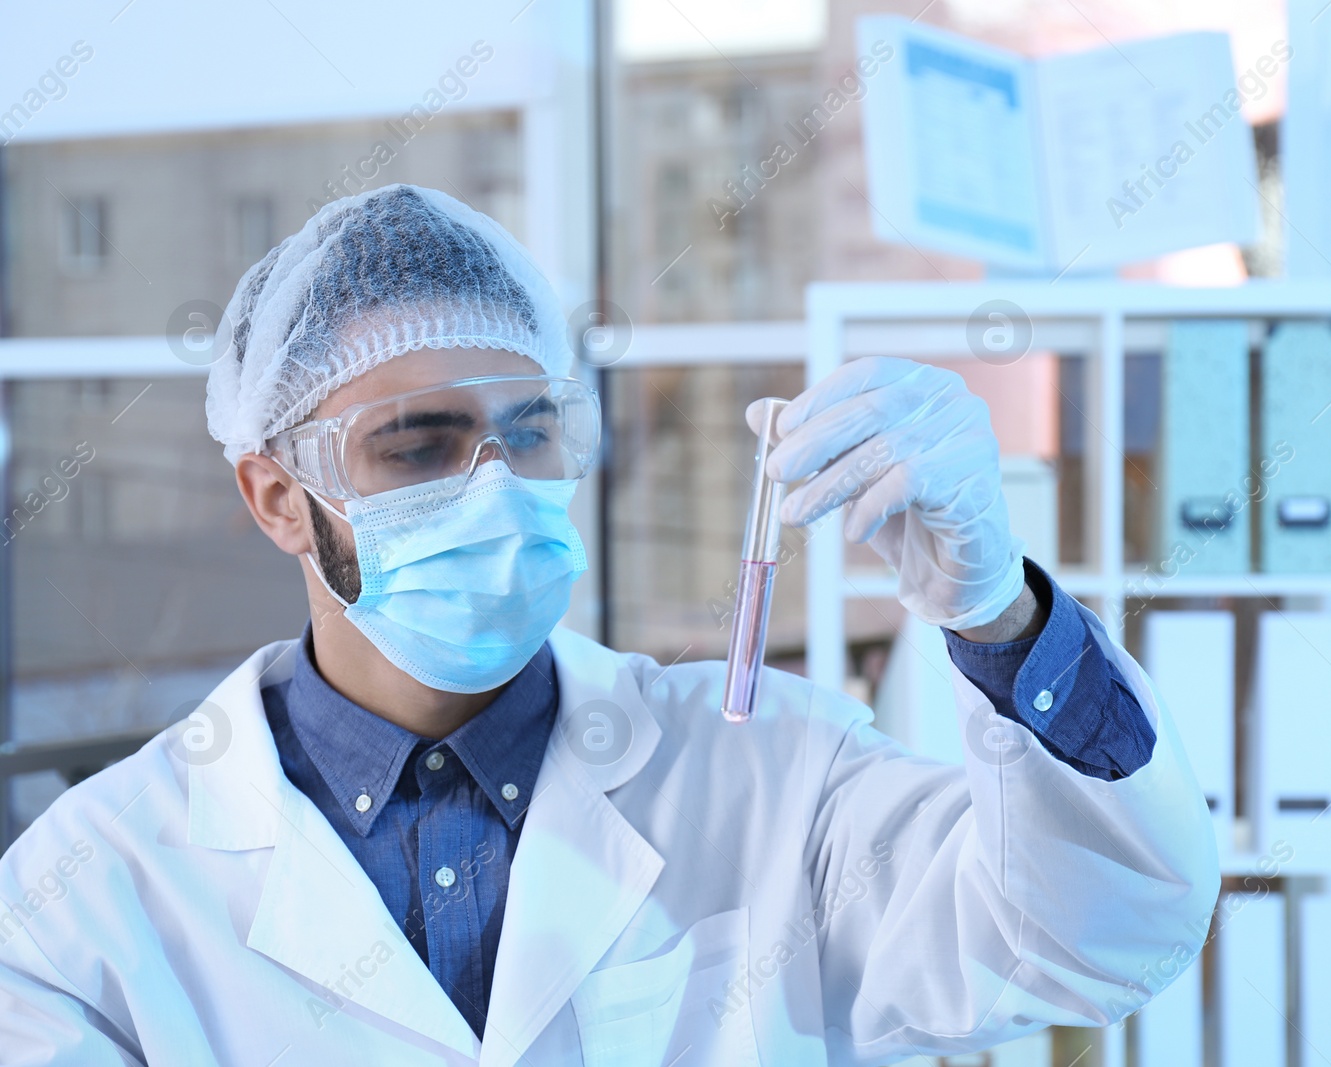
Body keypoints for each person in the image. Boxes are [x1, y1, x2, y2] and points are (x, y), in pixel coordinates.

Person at [0, 184, 1218, 1065]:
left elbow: (1096, 937)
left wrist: (995, 610)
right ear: (275, 496)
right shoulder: (88, 889)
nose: (494, 486)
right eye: (419, 442)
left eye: (527, 432)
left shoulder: (770, 771)